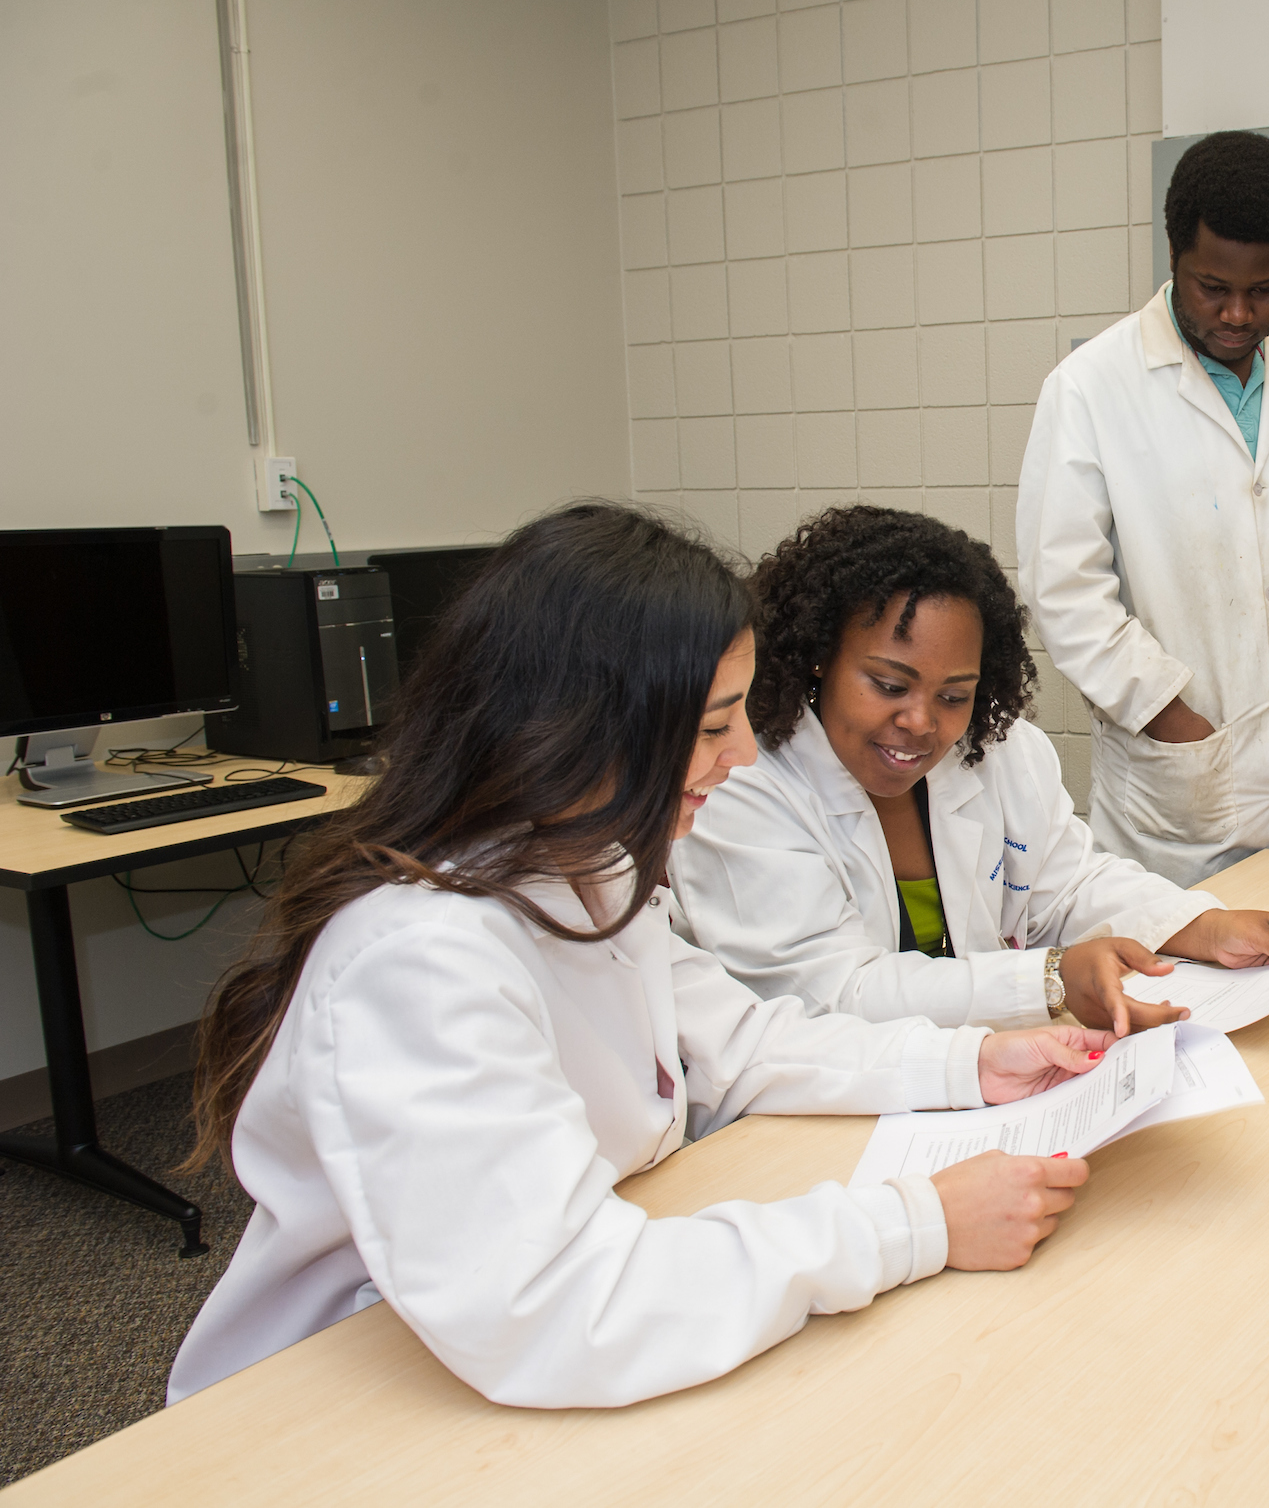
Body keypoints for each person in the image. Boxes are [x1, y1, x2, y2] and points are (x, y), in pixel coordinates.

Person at [168, 505, 1115, 1409]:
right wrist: (919, 1223)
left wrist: (974, 1062)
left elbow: (740, 1046)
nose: (745, 755)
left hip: (498, 1345)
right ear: (577, 722)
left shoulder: (589, 869)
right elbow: (561, 1302)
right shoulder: (419, 957)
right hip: (337, 1397)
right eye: (712, 726)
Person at [672, 505, 1269, 1036]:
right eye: (889, 685)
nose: (922, 722)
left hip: (988, 1085)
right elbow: (832, 993)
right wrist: (1049, 979)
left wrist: (1201, 926)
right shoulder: (739, 783)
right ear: (818, 658)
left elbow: (1067, 888)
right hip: (816, 1112)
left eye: (955, 695)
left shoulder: (997, 751)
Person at [1017, 130, 1269, 887]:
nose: (1237, 313)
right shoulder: (1091, 388)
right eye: (1211, 286)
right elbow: (1066, 594)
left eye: (1266, 290)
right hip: (1179, 800)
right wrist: (1178, 725)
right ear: (1172, 258)